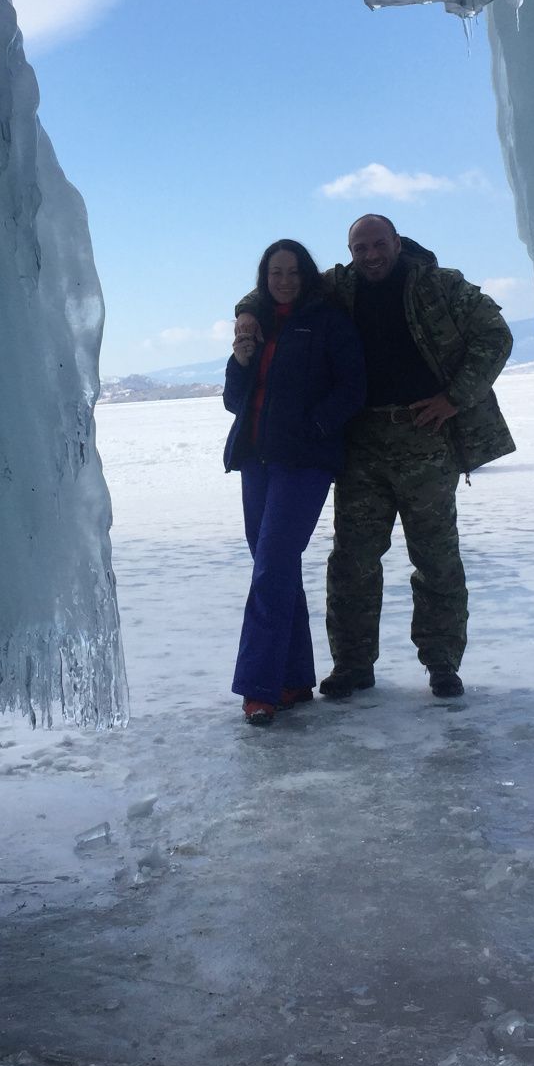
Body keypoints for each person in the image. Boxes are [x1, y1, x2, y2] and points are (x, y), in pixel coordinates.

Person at [236, 214, 513, 702]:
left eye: (377, 245)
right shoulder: (340, 285)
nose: (370, 255)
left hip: (425, 438)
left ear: (396, 243)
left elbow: (495, 334)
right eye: (359, 248)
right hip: (362, 442)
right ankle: (352, 665)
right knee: (352, 560)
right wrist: (243, 314)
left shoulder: (440, 285)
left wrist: (454, 397)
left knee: (436, 557)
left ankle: (442, 662)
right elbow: (275, 286)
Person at [223, 239, 366, 726]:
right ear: (264, 278)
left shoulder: (327, 322)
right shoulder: (257, 325)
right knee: (276, 570)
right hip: (255, 462)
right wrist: (240, 360)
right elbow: (232, 400)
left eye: (292, 272)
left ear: (306, 275)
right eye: (274, 272)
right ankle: (294, 677)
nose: (283, 280)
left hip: (302, 463)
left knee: (271, 568)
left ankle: (258, 688)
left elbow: (353, 388)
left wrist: (315, 428)